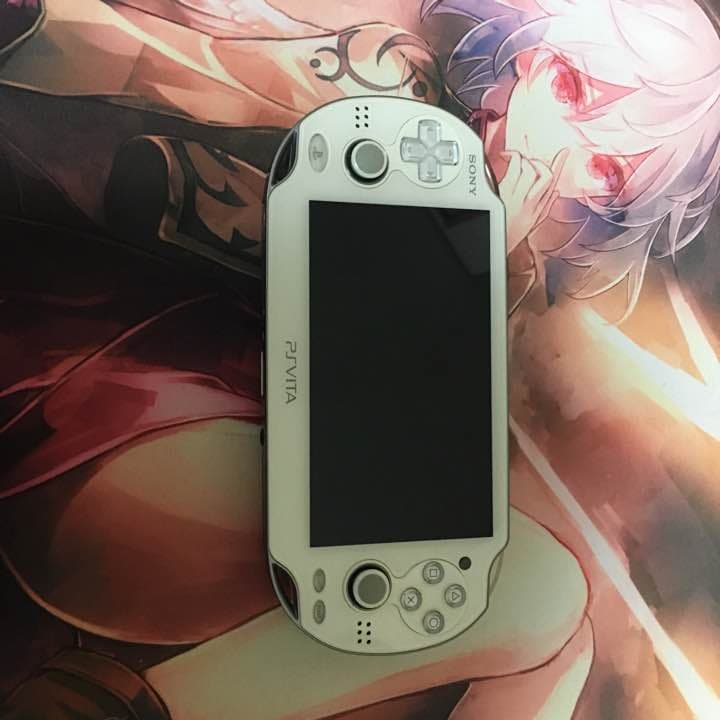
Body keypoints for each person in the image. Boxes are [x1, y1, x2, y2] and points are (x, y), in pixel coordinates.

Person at [424, 0, 720, 319]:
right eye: (567, 89)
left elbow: (432, 329)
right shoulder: (421, 93)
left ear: (612, 199)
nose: (561, 147)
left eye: (605, 170)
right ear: (532, 54)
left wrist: (495, 241)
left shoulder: (518, 272)